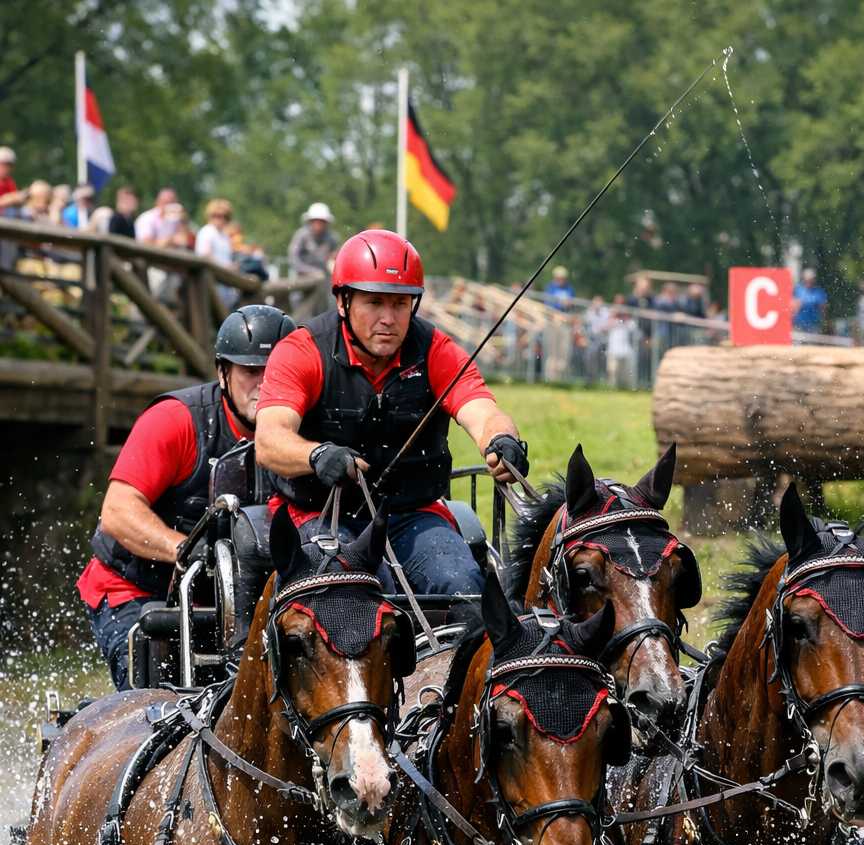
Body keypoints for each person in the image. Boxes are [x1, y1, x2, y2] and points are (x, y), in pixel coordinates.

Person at [255, 228, 528, 598]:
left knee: (464, 586)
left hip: (412, 513)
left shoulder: (436, 350)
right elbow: (269, 440)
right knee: (357, 593)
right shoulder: (302, 350)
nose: (388, 318)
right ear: (343, 302)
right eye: (374, 302)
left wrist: (501, 440)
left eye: (400, 304)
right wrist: (316, 455)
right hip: (318, 514)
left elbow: (482, 412)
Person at [78, 305, 296, 689]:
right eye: (250, 371)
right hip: (137, 590)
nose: (265, 384)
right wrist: (187, 549)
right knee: (161, 703)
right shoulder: (176, 420)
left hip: (234, 599)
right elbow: (117, 511)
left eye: (275, 372)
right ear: (223, 373)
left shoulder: (306, 432)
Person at [287, 202, 336, 276]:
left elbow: (333, 258)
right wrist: (311, 271)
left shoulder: (331, 238)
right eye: (315, 221)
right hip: (303, 278)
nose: (318, 225)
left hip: (324, 277)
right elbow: (293, 259)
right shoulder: (301, 236)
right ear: (310, 221)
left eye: (321, 222)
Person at [792, 266, 828, 333]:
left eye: (811, 279)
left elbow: (823, 309)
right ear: (804, 279)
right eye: (808, 279)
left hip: (814, 325)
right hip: (798, 324)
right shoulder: (798, 290)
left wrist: (824, 321)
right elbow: (792, 306)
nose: (809, 281)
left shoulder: (819, 292)